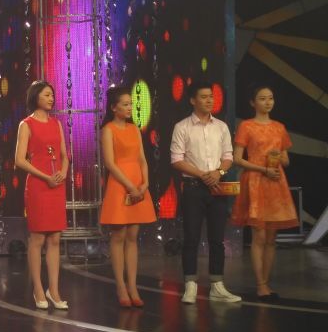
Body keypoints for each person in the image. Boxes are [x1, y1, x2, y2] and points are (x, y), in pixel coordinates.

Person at [170, 80, 241, 304]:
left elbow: (228, 156)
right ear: (193, 100)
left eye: (211, 96)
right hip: (193, 187)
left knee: (217, 239)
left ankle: (217, 285)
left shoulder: (221, 126)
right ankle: (190, 285)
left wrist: (219, 172)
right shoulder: (182, 127)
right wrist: (203, 174)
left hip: (217, 187)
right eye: (204, 96)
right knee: (191, 238)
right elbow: (177, 160)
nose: (209, 100)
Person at [230, 85, 297, 301]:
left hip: (275, 181)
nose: (268, 102)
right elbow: (237, 158)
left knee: (271, 237)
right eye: (262, 98)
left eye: (271, 98)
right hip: (256, 180)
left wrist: (279, 158)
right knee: (258, 235)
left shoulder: (279, 127)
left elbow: (286, 160)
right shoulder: (246, 126)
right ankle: (260, 284)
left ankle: (266, 283)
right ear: (253, 102)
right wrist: (262, 168)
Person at [99, 86, 156, 307]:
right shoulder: (108, 130)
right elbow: (110, 163)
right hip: (120, 184)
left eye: (130, 104)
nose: (129, 107)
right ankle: (121, 286)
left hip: (138, 185)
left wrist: (145, 183)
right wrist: (130, 185)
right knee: (118, 236)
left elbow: (142, 159)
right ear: (114, 107)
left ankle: (133, 286)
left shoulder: (134, 129)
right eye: (125, 104)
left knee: (133, 236)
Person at [15, 80, 70, 310]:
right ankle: (38, 288)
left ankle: (53, 290)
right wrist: (45, 176)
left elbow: (65, 155)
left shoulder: (57, 123)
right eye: (47, 94)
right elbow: (19, 160)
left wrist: (63, 172)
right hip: (38, 185)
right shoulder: (26, 124)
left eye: (52, 95)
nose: (51, 98)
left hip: (57, 185)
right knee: (38, 238)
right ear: (35, 96)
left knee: (55, 238)